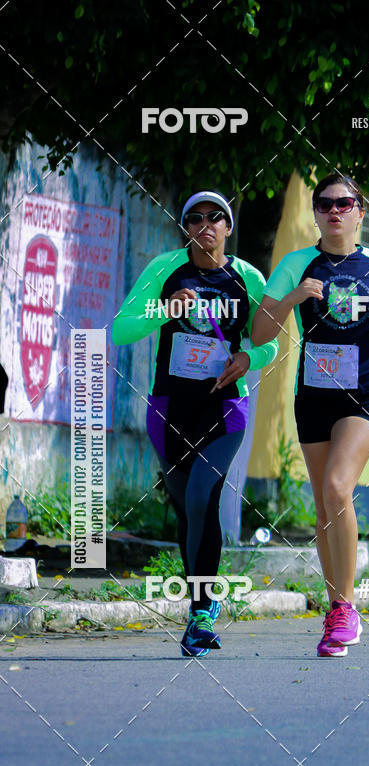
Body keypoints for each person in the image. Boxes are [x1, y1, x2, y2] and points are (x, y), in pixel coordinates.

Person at [251, 173, 369, 658]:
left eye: (344, 203)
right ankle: (335, 611)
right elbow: (260, 334)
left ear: (361, 212)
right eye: (323, 204)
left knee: (337, 488)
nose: (334, 211)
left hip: (368, 394)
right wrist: (293, 299)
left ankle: (346, 608)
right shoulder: (296, 264)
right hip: (315, 397)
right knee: (325, 509)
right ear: (315, 212)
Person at [112, 190, 278, 657]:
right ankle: (200, 608)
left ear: (228, 227)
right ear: (185, 227)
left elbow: (273, 342)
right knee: (188, 509)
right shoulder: (165, 269)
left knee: (205, 495)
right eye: (195, 218)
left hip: (225, 408)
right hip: (169, 408)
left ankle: (201, 613)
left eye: (216, 217)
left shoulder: (246, 277)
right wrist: (165, 310)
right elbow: (121, 328)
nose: (206, 224)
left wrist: (249, 357)